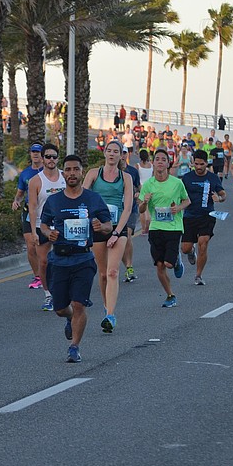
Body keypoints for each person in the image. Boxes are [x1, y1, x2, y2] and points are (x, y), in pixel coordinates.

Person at [41, 155, 112, 362]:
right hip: (59, 260)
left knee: (79, 304)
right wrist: (48, 233)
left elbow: (108, 225)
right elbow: (44, 224)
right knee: (61, 308)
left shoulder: (93, 199)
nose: (72, 173)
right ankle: (70, 317)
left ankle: (74, 347)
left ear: (82, 172)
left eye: (76, 169)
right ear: (63, 174)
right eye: (68, 170)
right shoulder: (54, 201)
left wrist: (101, 227)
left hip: (83, 259)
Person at [82, 141, 133, 333]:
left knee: (113, 272)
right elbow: (83, 197)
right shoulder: (94, 174)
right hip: (97, 226)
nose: (112, 154)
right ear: (105, 153)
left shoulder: (125, 177)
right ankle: (106, 307)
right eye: (109, 151)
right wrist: (92, 218)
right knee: (103, 274)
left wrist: (118, 232)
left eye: (116, 152)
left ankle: (111, 315)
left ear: (121, 156)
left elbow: (127, 207)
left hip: (117, 227)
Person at [138, 149, 190, 308]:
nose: (160, 162)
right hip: (156, 227)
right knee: (159, 265)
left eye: (163, 159)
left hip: (173, 227)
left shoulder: (177, 183)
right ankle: (170, 295)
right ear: (153, 163)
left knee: (168, 264)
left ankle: (177, 262)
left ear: (168, 164)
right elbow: (140, 209)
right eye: (157, 159)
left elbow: (187, 201)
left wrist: (179, 208)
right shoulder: (148, 185)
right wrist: (145, 202)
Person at [27, 143, 66, 311]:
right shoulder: (36, 181)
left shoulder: (66, 177)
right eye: (48, 157)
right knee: (43, 262)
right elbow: (33, 206)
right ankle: (48, 294)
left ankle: (63, 292)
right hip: (42, 225)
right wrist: (34, 231)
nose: (51, 160)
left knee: (63, 260)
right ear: (42, 159)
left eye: (54, 157)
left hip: (64, 225)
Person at [179, 150, 226, 286]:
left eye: (201, 164)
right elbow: (179, 194)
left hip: (207, 216)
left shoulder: (213, 178)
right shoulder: (187, 178)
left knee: (203, 243)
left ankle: (198, 275)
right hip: (189, 216)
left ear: (206, 163)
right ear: (193, 163)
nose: (198, 167)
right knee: (185, 248)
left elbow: (223, 194)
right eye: (196, 164)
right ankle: (191, 251)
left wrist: (219, 198)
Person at [12, 144, 45, 290]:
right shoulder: (25, 174)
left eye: (38, 152)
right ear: (30, 154)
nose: (36, 154)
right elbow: (20, 194)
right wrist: (16, 201)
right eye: (33, 152)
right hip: (28, 210)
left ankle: (47, 273)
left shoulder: (48, 172)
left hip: (45, 211)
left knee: (44, 245)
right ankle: (38, 276)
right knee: (31, 244)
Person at [120, 145, 141, 284]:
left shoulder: (133, 171)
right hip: (117, 210)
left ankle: (129, 266)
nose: (121, 156)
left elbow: (139, 187)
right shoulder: (111, 172)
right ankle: (127, 266)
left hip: (131, 208)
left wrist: (139, 194)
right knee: (119, 240)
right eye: (119, 153)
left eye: (123, 153)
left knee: (127, 235)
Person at [136, 149, 153, 234]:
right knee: (149, 208)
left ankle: (143, 228)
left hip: (141, 187)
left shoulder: (138, 165)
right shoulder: (151, 165)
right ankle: (149, 225)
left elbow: (136, 177)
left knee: (142, 209)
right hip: (150, 188)